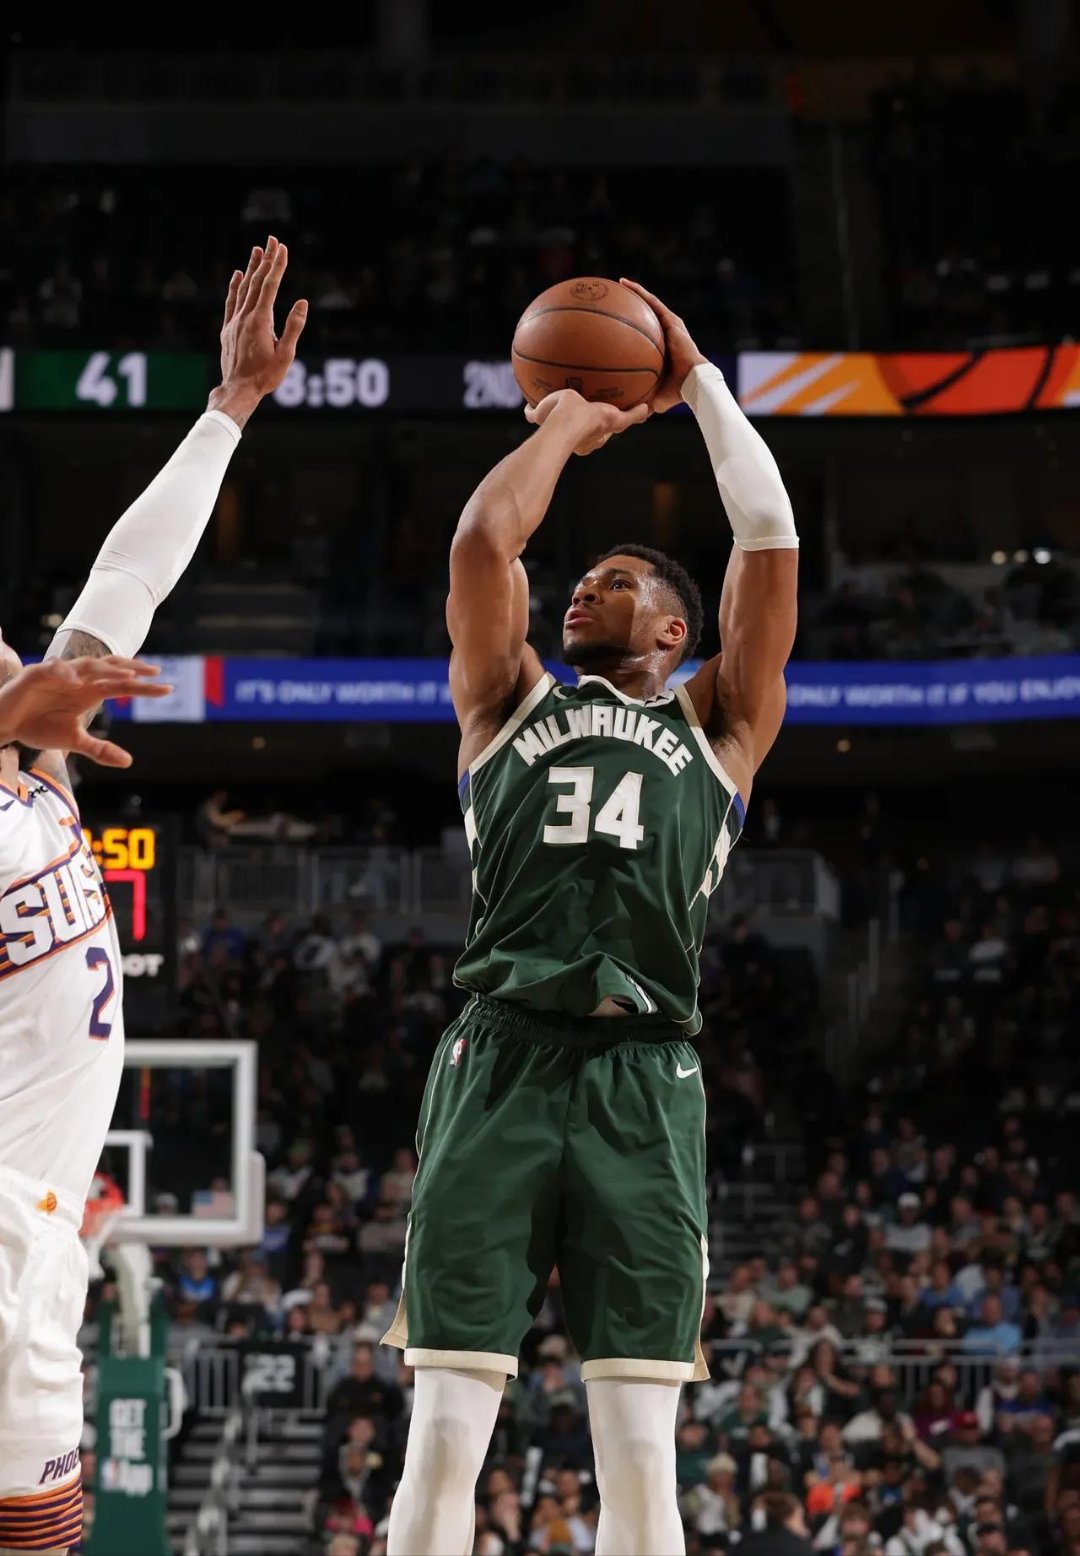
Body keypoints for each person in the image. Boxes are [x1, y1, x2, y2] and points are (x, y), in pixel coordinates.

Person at [384, 278, 798, 1556]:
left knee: (640, 1455)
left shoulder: (721, 721)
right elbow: (482, 545)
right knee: (444, 1434)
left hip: (645, 1076)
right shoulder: (508, 695)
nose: (580, 592)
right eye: (578, 580)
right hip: (498, 1058)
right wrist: (564, 422)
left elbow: (770, 533)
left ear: (675, 628)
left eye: (611, 582)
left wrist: (701, 383)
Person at [0, 234, 306, 1555]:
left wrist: (227, 408)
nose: (23, 659)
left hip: (33, 1244)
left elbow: (126, 580)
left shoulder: (36, 766)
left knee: (41, 1538)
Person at [739, 1490, 814, 1554]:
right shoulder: (800, 1547)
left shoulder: (750, 1543)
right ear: (787, 1518)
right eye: (800, 1518)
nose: (803, 1524)